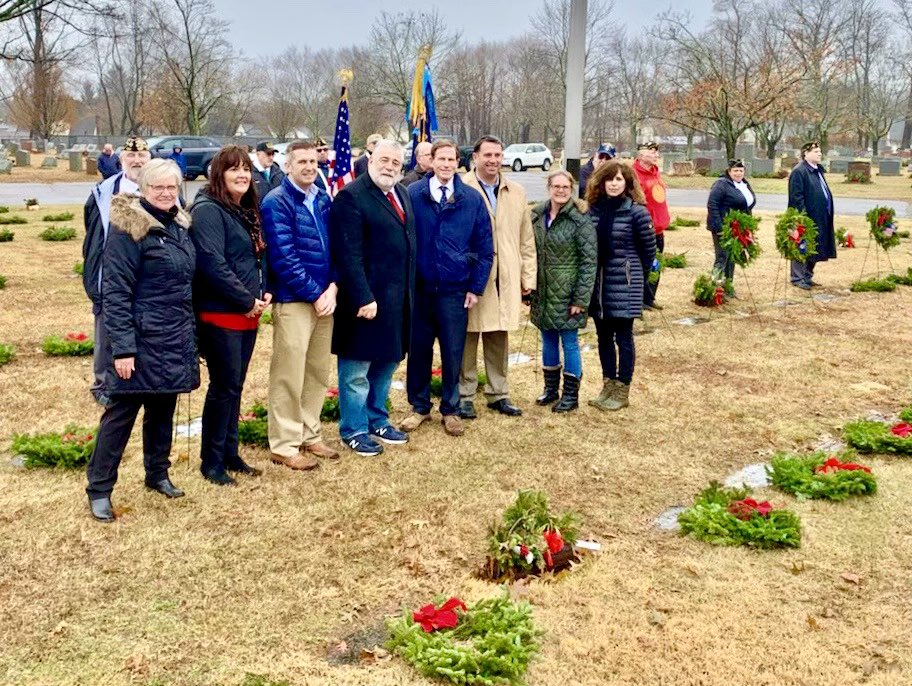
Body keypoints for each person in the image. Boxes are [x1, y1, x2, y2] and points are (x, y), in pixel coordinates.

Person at [85, 159, 199, 522]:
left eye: (171, 187)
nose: (166, 194)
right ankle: (99, 488)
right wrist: (123, 348)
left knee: (163, 408)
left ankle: (157, 473)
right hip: (140, 336)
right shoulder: (128, 229)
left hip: (173, 333)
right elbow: (116, 292)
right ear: (144, 190)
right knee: (121, 414)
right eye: (158, 188)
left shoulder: (177, 224)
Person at [401, 139, 493, 437]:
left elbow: (484, 246)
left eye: (451, 159)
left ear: (458, 162)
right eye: (440, 159)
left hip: (455, 290)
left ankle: (451, 409)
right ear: (431, 161)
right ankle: (419, 406)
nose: (446, 164)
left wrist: (476, 287)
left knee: (454, 351)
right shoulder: (412, 194)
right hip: (420, 288)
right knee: (418, 351)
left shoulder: (471, 199)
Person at [329, 139, 415, 456]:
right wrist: (363, 296)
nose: (390, 166)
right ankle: (354, 429)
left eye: (396, 161)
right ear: (370, 159)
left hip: (396, 301)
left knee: (386, 364)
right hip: (364, 302)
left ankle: (377, 419)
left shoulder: (402, 193)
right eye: (384, 160)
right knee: (356, 373)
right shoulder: (351, 197)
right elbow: (348, 255)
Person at [190, 145, 270, 486]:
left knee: (235, 387)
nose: (242, 175)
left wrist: (263, 289)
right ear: (218, 173)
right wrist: (245, 299)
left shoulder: (243, 209)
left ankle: (230, 452)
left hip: (248, 313)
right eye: (234, 169)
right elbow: (212, 264)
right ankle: (212, 461)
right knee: (223, 387)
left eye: (247, 169)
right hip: (222, 313)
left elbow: (255, 255)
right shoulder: (208, 210)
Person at [261, 140, 339, 469]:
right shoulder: (276, 202)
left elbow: (335, 247)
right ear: (288, 165)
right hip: (295, 300)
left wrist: (333, 287)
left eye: (313, 161)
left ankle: (310, 433)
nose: (309, 166)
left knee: (317, 371)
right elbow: (283, 257)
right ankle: (284, 442)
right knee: (288, 373)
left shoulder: (321, 198)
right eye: (302, 161)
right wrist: (314, 293)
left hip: (325, 300)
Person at [459, 135, 536, 418]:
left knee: (498, 335)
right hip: (471, 278)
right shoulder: (462, 188)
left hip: (505, 277)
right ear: (476, 157)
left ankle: (498, 393)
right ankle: (464, 394)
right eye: (487, 155)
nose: (493, 160)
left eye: (497, 155)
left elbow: (526, 239)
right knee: (467, 335)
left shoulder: (515, 192)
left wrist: (528, 278)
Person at [82, 136, 151, 407]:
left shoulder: (160, 188)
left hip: (148, 272)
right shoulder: (104, 191)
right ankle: (103, 384)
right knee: (106, 328)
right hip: (111, 269)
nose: (136, 161)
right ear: (121, 160)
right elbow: (93, 230)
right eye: (131, 157)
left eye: (141, 157)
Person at [586, 160, 656, 412]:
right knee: (603, 337)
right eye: (609, 179)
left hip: (625, 281)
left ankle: (622, 388)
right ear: (601, 182)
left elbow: (649, 252)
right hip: (599, 283)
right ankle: (608, 384)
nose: (613, 184)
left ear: (626, 182)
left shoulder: (637, 212)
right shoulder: (593, 210)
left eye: (618, 179)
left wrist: (640, 280)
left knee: (623, 337)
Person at [530, 170, 597, 413]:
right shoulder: (537, 215)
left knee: (569, 341)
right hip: (544, 290)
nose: (560, 190)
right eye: (556, 186)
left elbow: (589, 262)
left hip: (568, 291)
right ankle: (550, 389)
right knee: (547, 339)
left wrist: (581, 297)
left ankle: (571, 394)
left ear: (571, 189)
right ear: (549, 187)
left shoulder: (579, 219)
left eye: (565, 187)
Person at [788, 141, 835, 289]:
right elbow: (796, 197)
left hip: (820, 215)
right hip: (806, 217)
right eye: (815, 152)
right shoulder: (800, 171)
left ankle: (807, 275)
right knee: (801, 245)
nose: (819, 154)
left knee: (815, 246)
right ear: (805, 154)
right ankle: (797, 277)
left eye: (820, 151)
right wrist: (802, 218)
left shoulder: (818, 170)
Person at [706, 159, 756, 296]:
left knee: (731, 257)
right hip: (723, 227)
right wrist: (719, 227)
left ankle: (727, 287)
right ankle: (714, 288)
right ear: (729, 171)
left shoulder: (744, 184)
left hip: (737, 228)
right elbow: (712, 204)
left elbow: (747, 205)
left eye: (741, 170)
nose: (738, 173)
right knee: (722, 257)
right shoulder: (721, 184)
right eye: (735, 171)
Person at [632, 142, 670, 309]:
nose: (655, 155)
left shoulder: (656, 173)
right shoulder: (633, 175)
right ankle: (638, 300)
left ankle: (649, 297)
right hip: (644, 229)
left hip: (658, 228)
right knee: (642, 264)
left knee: (656, 263)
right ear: (640, 155)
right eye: (651, 151)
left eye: (656, 152)